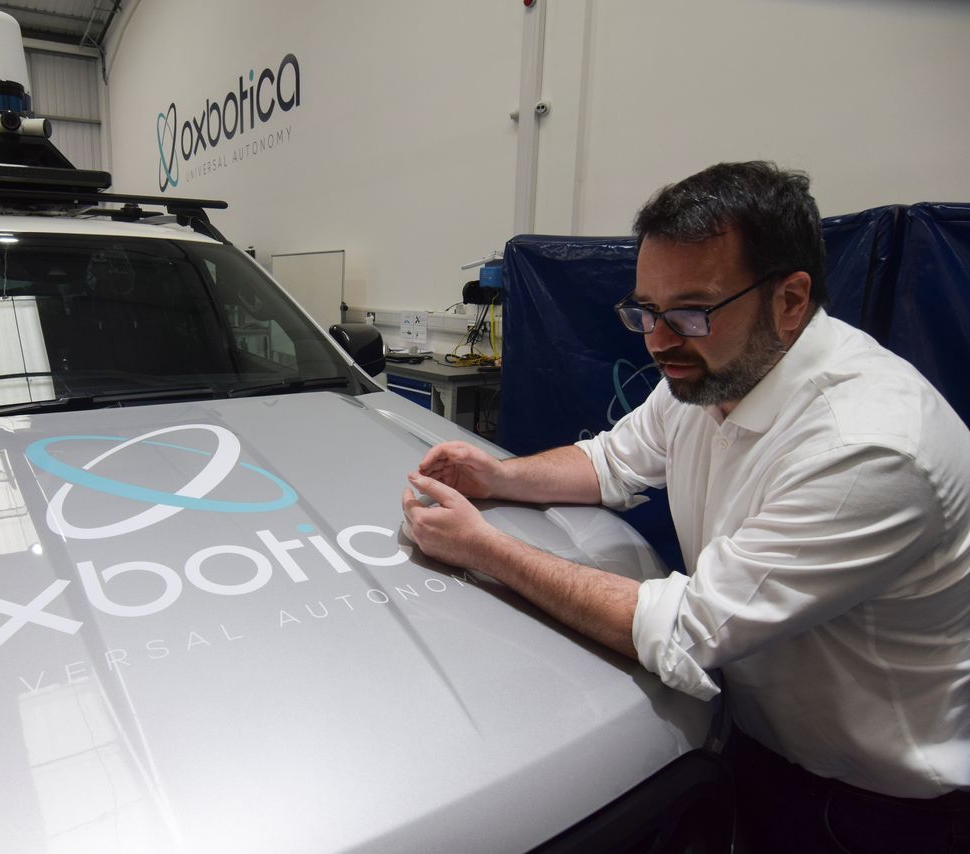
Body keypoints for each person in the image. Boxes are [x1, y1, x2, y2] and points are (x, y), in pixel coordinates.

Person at [400, 161, 970, 852]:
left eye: (691, 311)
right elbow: (613, 459)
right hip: (758, 739)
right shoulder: (710, 371)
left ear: (790, 301)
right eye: (645, 311)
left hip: (868, 807)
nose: (659, 340)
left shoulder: (869, 448)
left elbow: (686, 629)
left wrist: (483, 548)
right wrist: (495, 476)